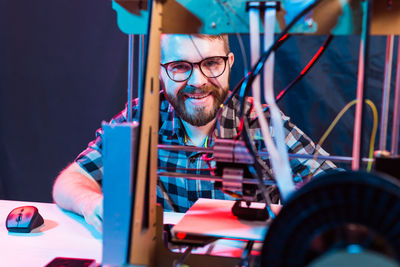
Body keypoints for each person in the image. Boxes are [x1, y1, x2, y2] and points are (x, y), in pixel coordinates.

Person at [52, 34, 336, 233]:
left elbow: (338, 187)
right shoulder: (141, 117)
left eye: (211, 63)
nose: (198, 81)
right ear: (161, 71)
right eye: (180, 67)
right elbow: (69, 181)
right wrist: (93, 204)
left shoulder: (262, 124)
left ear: (229, 62)